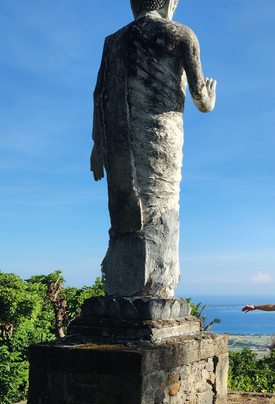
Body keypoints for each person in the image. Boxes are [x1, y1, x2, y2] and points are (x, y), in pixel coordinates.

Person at [91, 0, 216, 298]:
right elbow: (201, 97)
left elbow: (100, 95)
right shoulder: (180, 33)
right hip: (162, 135)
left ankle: (125, 286)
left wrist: (99, 144)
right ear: (170, 3)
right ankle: (156, 287)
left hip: (121, 142)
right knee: (162, 206)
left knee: (127, 207)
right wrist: (210, 97)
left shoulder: (114, 42)